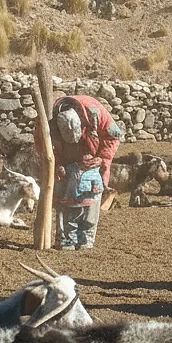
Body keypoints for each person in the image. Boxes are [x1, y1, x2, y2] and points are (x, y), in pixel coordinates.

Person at [35, 94, 122, 250]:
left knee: (91, 205)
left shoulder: (96, 112)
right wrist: (57, 163)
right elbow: (42, 147)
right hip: (64, 167)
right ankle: (66, 241)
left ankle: (86, 241)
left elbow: (113, 136)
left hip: (93, 164)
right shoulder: (45, 119)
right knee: (65, 205)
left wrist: (102, 158)